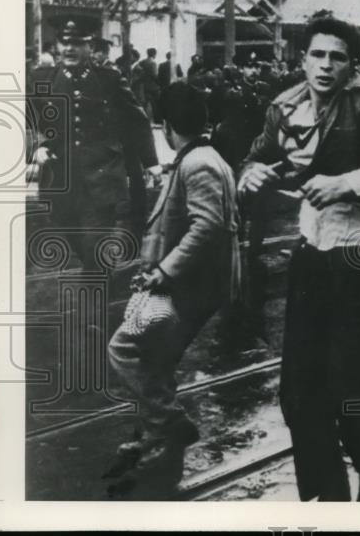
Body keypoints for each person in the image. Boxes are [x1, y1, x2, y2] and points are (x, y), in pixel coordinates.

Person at [239, 16, 360, 501]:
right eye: (317, 55)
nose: (326, 65)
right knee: (298, 389)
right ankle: (329, 493)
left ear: (352, 64)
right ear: (302, 58)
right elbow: (257, 155)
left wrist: (345, 182)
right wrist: (250, 173)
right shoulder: (284, 105)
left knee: (350, 388)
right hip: (312, 250)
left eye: (337, 57)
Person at [106, 82, 239, 487]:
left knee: (124, 348)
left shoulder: (197, 163)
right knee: (155, 356)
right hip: (188, 282)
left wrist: (163, 271)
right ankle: (154, 439)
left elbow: (207, 226)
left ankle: (169, 424)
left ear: (167, 127)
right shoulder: (202, 157)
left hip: (187, 285)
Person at [26, 15, 158, 272]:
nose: (69, 49)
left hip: (101, 182)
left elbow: (137, 120)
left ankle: (97, 300)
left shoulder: (108, 78)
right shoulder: (44, 78)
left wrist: (151, 162)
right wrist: (37, 146)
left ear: (90, 47)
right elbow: (29, 119)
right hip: (61, 181)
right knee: (72, 238)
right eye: (64, 43)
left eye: (76, 43)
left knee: (95, 248)